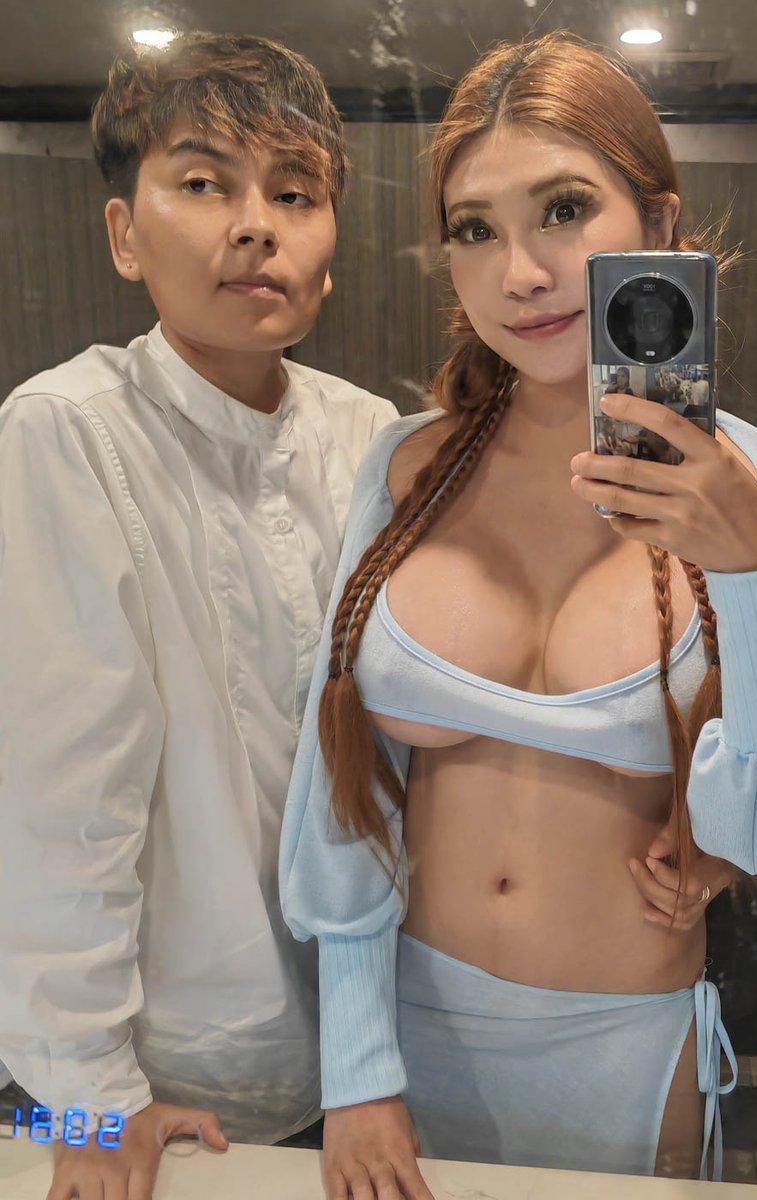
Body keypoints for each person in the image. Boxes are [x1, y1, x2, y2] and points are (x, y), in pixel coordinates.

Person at [278, 33, 757, 1200]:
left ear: (658, 221)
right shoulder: (406, 469)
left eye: (562, 209)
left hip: (626, 1044)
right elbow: (341, 785)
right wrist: (356, 1067)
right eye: (474, 227)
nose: (521, 272)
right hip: (409, 1029)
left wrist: (754, 567)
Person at [0, 30, 398, 1200]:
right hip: (145, 1074)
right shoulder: (67, 430)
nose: (255, 225)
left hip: (359, 1049)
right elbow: (59, 793)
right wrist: (84, 1095)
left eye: (295, 193)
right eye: (204, 183)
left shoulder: (371, 436)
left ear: (331, 246)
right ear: (125, 235)